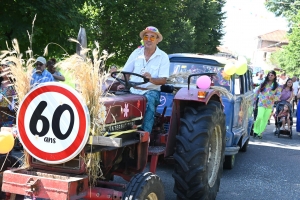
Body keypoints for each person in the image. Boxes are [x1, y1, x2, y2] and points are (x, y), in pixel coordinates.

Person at [118, 26, 170, 133]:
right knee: (116, 99)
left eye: (152, 37)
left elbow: (163, 80)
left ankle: (144, 135)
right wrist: (124, 83)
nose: (149, 40)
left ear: (157, 40)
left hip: (151, 91)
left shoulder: (163, 57)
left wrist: (151, 79)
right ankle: (118, 130)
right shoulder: (136, 53)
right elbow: (126, 72)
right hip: (133, 90)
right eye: (146, 37)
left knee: (149, 101)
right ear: (143, 39)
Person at [253, 70, 281, 139]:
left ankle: (260, 132)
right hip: (261, 103)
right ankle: (255, 130)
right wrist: (253, 100)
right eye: (269, 75)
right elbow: (257, 91)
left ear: (274, 76)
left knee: (265, 119)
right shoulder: (263, 83)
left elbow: (278, 95)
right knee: (259, 117)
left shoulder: (277, 86)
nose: (270, 76)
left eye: (272, 75)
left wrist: (273, 97)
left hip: (269, 105)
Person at [0, 60, 16, 127]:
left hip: (8, 121)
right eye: (2, 67)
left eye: (5, 67)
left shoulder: (15, 86)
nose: (2, 69)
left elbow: (7, 103)